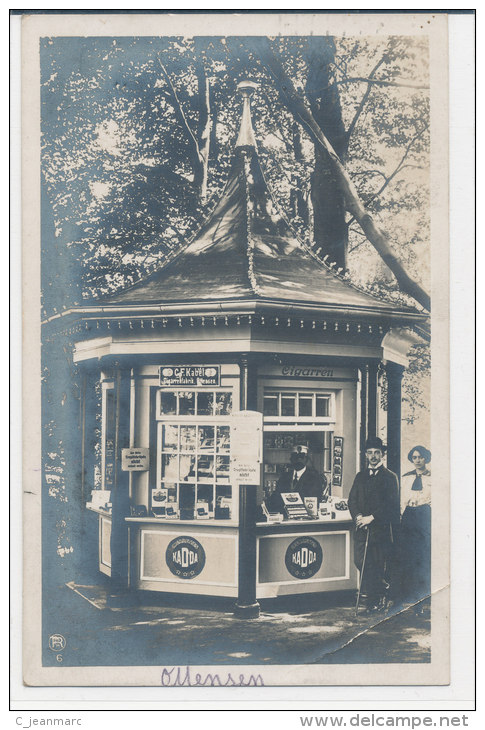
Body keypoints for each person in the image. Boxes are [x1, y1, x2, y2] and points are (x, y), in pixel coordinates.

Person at [348, 437, 400, 613]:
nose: (373, 456)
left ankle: (374, 601)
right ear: (365, 455)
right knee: (360, 562)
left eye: (377, 453)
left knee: (376, 564)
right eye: (370, 453)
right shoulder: (360, 476)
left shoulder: (390, 477)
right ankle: (382, 590)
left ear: (382, 455)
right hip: (362, 529)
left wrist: (372, 517)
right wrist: (358, 517)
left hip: (380, 531)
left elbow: (392, 505)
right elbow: (352, 500)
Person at [399, 445, 431, 611]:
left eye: (421, 457)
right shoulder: (406, 478)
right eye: (415, 457)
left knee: (423, 555)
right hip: (409, 517)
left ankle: (423, 595)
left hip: (425, 516)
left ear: (426, 458)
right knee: (408, 555)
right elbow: (402, 500)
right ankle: (409, 594)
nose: (417, 460)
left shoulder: (433, 478)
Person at [266, 444, 327, 512]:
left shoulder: (314, 477)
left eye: (301, 457)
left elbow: (315, 499)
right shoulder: (284, 477)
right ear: (291, 459)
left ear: (306, 459)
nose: (298, 460)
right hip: (285, 516)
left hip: (305, 517)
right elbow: (276, 497)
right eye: (295, 457)